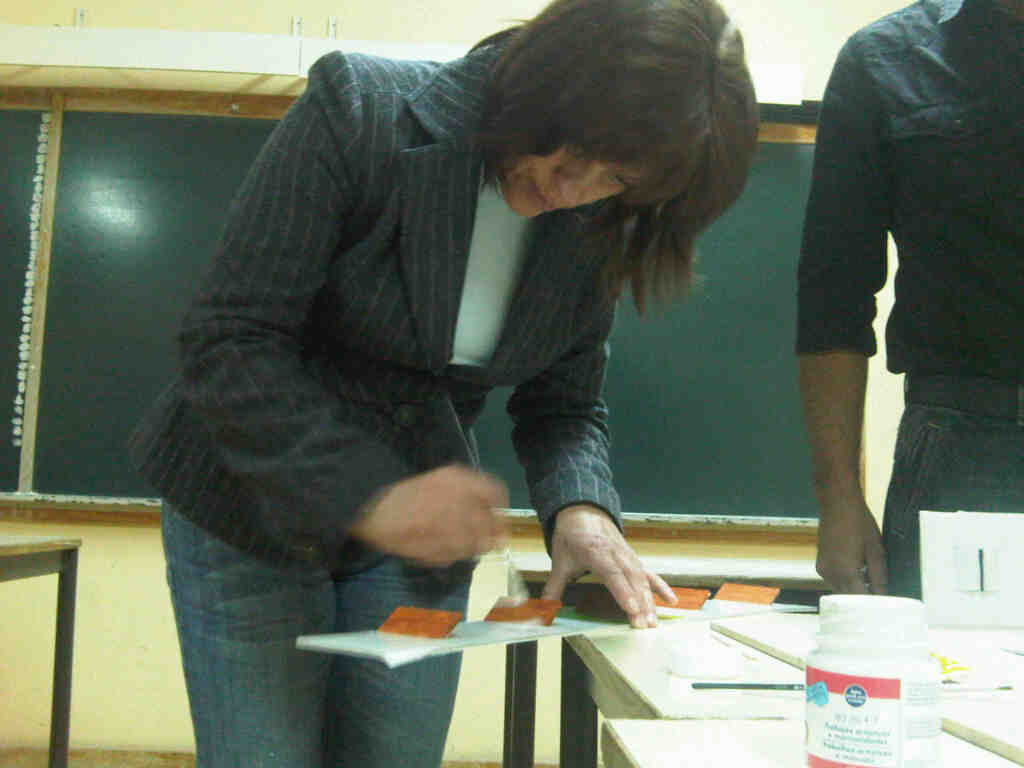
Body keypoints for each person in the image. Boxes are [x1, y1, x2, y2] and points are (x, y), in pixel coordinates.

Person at [129, 0, 759, 765]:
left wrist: (582, 508)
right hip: (248, 500)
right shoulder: (360, 111)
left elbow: (564, 404)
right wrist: (372, 496)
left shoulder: (600, 223)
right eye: (577, 150)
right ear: (547, 80)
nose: (575, 187)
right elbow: (230, 340)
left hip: (418, 532)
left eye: (617, 177)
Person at [797, 0, 1023, 599]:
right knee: (944, 659)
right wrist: (838, 498)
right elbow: (833, 295)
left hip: (959, 438)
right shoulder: (882, 59)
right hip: (963, 444)